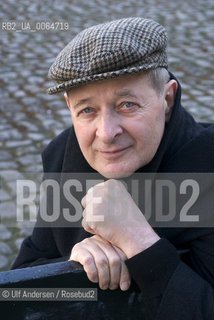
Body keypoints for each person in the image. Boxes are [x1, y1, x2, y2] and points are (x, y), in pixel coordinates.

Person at [12, 17, 214, 319]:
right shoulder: (61, 157)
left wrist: (139, 241)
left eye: (127, 104)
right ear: (70, 108)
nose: (106, 133)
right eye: (87, 110)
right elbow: (20, 286)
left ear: (167, 98)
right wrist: (70, 264)